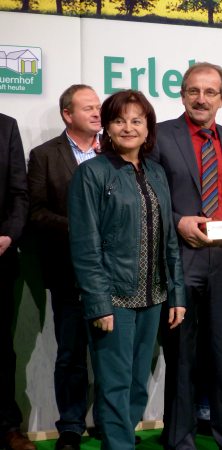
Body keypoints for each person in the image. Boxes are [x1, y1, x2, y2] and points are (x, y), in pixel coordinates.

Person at [68, 90, 186, 450]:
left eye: (137, 120)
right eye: (119, 120)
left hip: (154, 297)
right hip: (113, 299)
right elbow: (85, 245)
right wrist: (99, 302)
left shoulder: (157, 173)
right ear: (107, 126)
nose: (128, 127)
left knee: (137, 382)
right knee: (115, 383)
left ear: (148, 127)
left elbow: (169, 240)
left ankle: (118, 441)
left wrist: (177, 293)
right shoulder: (92, 173)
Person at [151, 62, 222, 450]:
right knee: (181, 359)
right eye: (194, 90)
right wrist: (178, 223)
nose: (201, 99)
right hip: (180, 260)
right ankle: (179, 438)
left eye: (211, 92)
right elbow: (151, 197)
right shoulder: (160, 136)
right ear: (182, 94)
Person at [27, 84, 101, 450]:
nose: (96, 113)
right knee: (71, 353)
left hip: (114, 273)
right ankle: (71, 425)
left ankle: (109, 421)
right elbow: (37, 213)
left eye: (98, 106)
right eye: (87, 108)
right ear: (67, 115)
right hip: (68, 270)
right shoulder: (44, 155)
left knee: (110, 353)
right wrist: (82, 228)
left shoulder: (117, 151)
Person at [0, 114, 35, 450]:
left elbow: (19, 193)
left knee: (1, 348)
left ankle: (6, 426)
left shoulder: (6, 126)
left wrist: (8, 235)